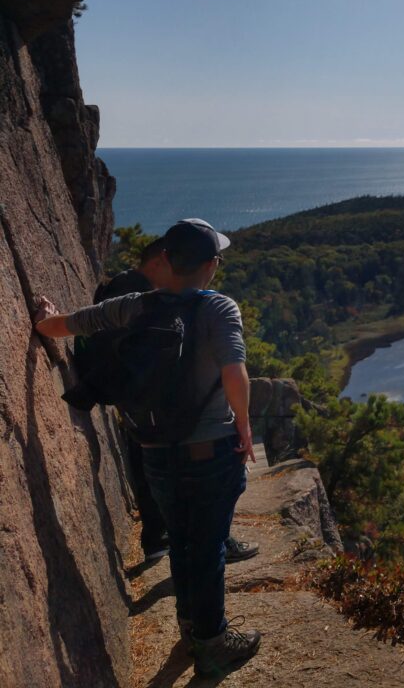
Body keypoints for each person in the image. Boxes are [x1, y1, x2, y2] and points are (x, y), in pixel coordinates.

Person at [34, 218, 262, 678]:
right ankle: (212, 641)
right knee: (210, 547)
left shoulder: (134, 306)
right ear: (211, 265)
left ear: (164, 261)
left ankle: (190, 623)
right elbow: (235, 373)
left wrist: (42, 318)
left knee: (181, 539)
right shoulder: (219, 308)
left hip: (155, 451)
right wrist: (243, 425)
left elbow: (71, 324)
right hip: (211, 452)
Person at [83, 237, 259, 564]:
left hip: (141, 409)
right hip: (159, 409)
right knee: (198, 490)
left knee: (163, 479)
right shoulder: (137, 294)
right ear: (160, 263)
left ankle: (161, 539)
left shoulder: (133, 292)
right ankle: (198, 544)